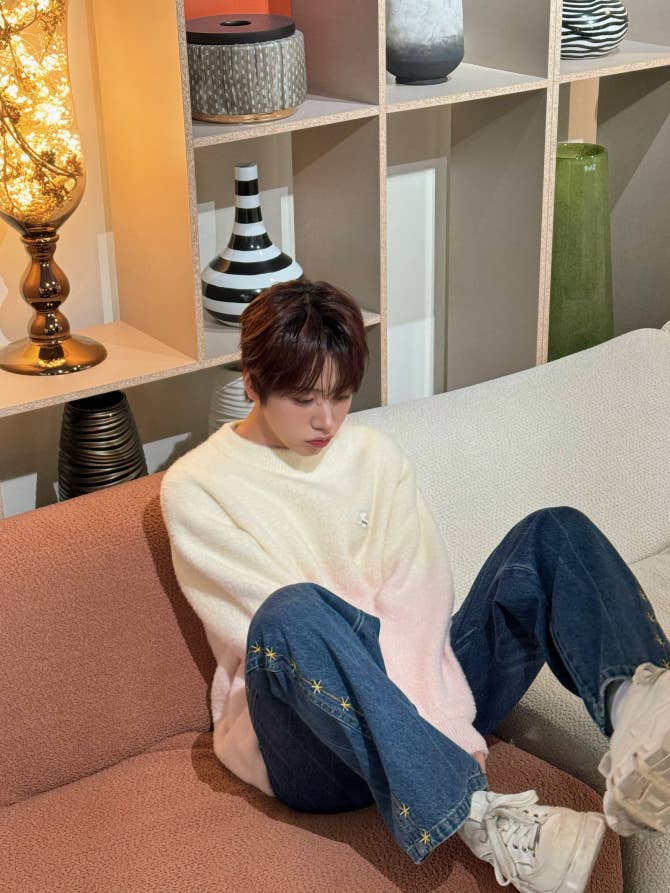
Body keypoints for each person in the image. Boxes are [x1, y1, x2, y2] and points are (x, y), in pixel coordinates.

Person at [160, 279, 670, 892]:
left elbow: (419, 603)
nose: (327, 420)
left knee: (553, 533)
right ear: (252, 383)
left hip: (422, 695)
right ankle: (480, 818)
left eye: (341, 396)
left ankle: (639, 723)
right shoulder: (197, 488)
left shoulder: (375, 456)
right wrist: (449, 749)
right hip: (310, 742)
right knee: (291, 611)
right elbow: (275, 638)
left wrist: (446, 724)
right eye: (304, 399)